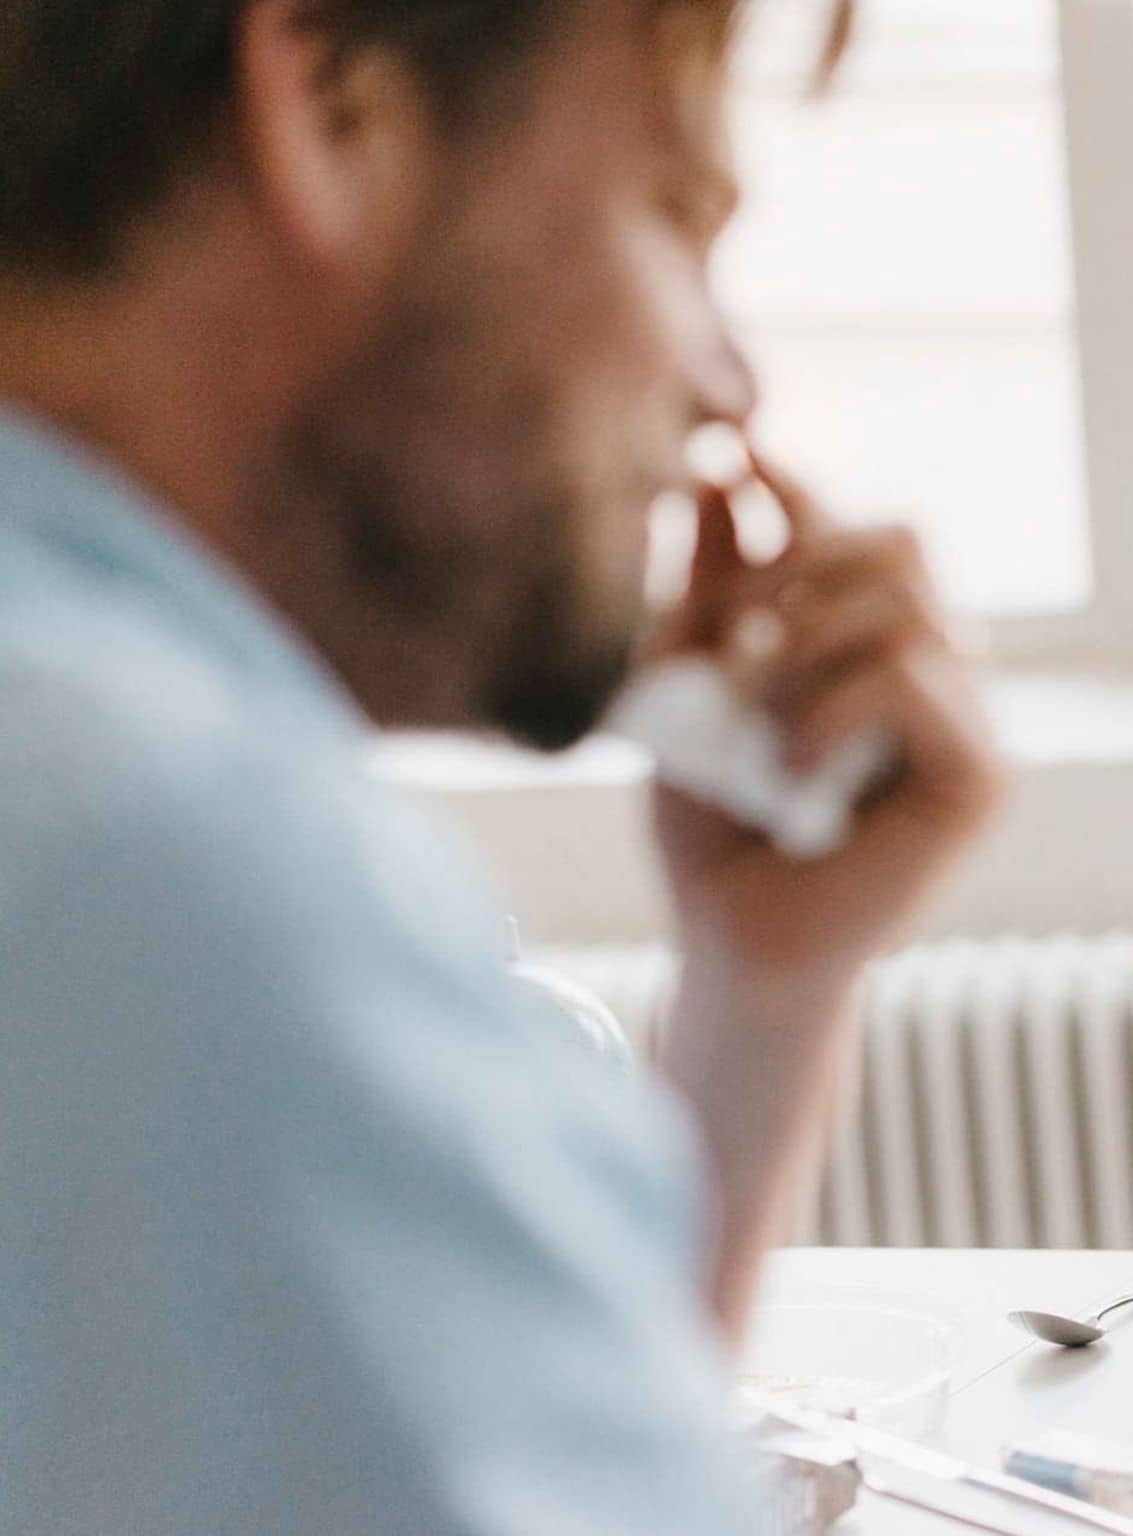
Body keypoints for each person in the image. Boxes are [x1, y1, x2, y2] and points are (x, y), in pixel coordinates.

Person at [0, 0, 1003, 1528]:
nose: (725, 382)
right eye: (673, 213)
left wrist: (764, 997)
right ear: (334, 103)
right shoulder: (182, 875)